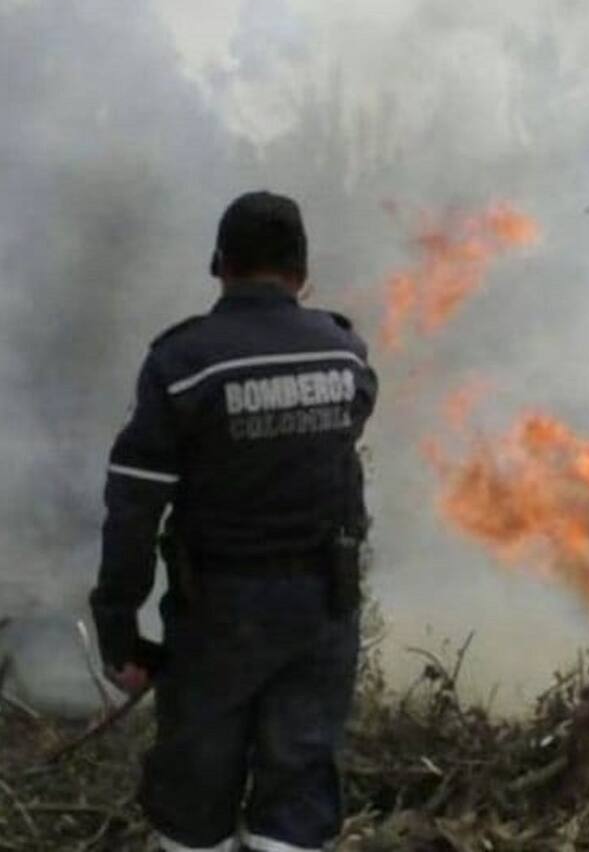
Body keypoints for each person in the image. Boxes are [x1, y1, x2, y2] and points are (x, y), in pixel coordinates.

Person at [90, 191, 378, 852]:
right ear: (303, 273)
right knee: (299, 793)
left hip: (219, 613)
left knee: (194, 795)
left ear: (218, 263)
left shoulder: (183, 363)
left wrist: (118, 631)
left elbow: (133, 508)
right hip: (322, 610)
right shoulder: (347, 357)